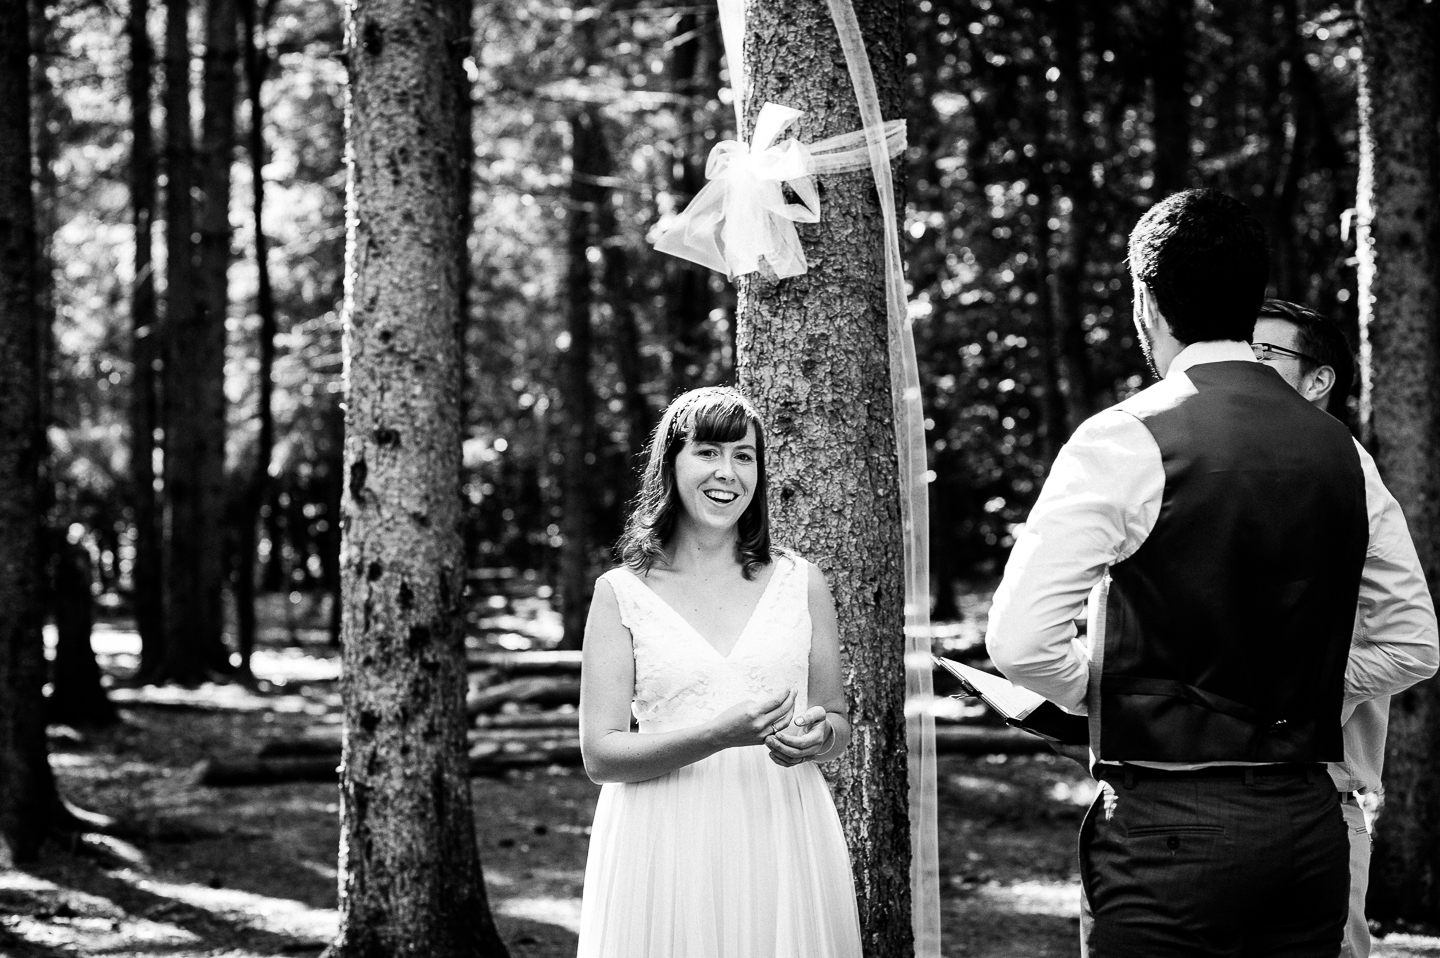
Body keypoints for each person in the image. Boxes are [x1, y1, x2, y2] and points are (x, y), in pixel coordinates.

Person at [985, 188, 1439, 957]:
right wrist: (1292, 687)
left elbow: (1021, 643)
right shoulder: (1345, 455)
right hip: (1309, 824)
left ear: (1147, 306)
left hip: (1171, 830)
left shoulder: (1124, 439)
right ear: (1247, 295)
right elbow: (1414, 640)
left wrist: (1116, 696)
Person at [575, 386, 862, 958]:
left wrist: (816, 738)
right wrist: (719, 735)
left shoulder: (801, 583)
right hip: (662, 837)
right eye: (707, 451)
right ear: (671, 464)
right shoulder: (621, 594)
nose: (727, 472)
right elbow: (600, 754)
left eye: (744, 455)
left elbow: (836, 720)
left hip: (783, 830)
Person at [1253, 298, 1420, 958]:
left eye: (1266, 355)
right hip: (1223, 805)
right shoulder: (1233, 471)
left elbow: (1407, 644)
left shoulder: (1342, 476)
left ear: (1317, 381)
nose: (1244, 368)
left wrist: (1302, 694)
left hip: (1319, 796)